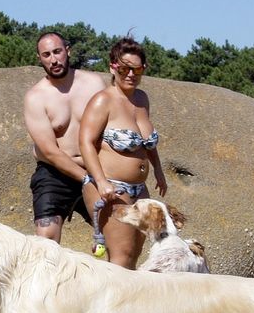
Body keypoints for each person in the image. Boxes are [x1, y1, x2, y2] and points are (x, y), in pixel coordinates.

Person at [79, 36, 168, 269]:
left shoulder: (141, 99)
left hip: (139, 188)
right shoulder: (103, 101)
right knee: (121, 255)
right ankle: (111, 305)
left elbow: (146, 143)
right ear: (113, 67)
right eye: (125, 68)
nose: (131, 74)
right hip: (110, 187)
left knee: (135, 253)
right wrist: (100, 182)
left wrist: (158, 170)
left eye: (137, 69)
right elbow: (86, 142)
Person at [22, 32, 107, 242]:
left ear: (67, 51)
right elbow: (50, 152)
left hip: (96, 166)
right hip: (55, 173)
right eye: (46, 54)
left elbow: (111, 127)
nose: (53, 59)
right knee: (46, 240)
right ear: (39, 58)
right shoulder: (36, 97)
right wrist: (87, 178)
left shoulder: (94, 84)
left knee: (116, 234)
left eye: (57, 51)